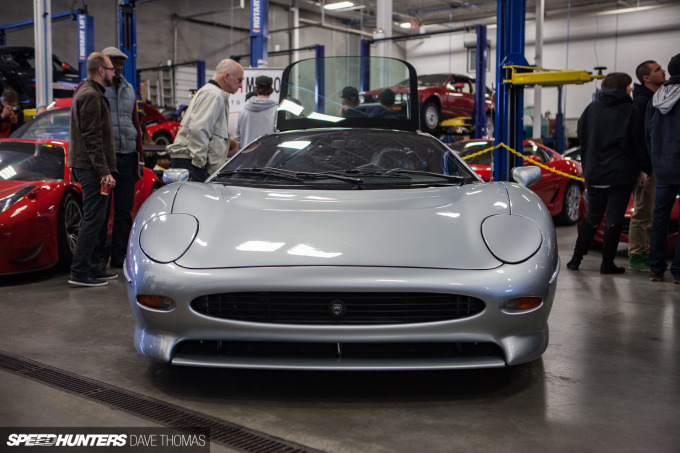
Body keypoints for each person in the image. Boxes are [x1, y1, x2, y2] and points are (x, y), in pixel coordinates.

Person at [567, 72, 651, 274]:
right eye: (629, 85)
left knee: (593, 216)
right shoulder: (631, 110)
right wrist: (645, 169)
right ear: (622, 87)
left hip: (595, 173)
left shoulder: (591, 109)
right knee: (614, 218)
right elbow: (637, 144)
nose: (631, 89)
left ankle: (576, 259)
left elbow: (582, 138)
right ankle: (607, 263)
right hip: (620, 174)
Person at [67, 52, 117, 287]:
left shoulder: (93, 94)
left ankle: (94, 268)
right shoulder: (90, 96)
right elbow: (91, 138)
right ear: (100, 71)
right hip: (91, 168)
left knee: (97, 219)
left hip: (91, 167)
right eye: (111, 69)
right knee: (92, 218)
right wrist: (104, 171)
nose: (114, 73)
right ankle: (79, 272)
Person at [97, 46, 145, 270]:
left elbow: (135, 124)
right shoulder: (96, 88)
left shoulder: (128, 89)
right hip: (105, 159)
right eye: (113, 62)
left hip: (126, 157)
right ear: (104, 64)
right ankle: (98, 260)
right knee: (101, 210)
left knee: (124, 211)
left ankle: (118, 259)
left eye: (120, 63)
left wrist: (140, 157)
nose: (117, 67)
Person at [168, 59, 243, 181]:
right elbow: (199, 129)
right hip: (192, 163)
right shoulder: (213, 94)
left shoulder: (214, 93)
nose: (240, 85)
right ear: (227, 76)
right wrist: (199, 161)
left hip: (192, 161)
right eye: (239, 80)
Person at [628, 60, 667, 271]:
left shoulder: (652, 99)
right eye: (658, 70)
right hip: (646, 168)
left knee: (648, 212)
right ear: (646, 78)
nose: (663, 71)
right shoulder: (642, 103)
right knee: (642, 212)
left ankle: (645, 252)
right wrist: (643, 169)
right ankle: (637, 256)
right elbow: (639, 138)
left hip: (653, 165)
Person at [646, 53, 680, 284]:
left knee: (659, 218)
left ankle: (656, 269)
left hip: (663, 167)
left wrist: (655, 160)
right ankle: (678, 271)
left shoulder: (657, 98)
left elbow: (647, 133)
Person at [233, 75, 277, 149]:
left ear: (256, 89)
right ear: (271, 89)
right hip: (269, 157)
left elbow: (237, 137)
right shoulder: (276, 110)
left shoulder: (243, 109)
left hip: (247, 156)